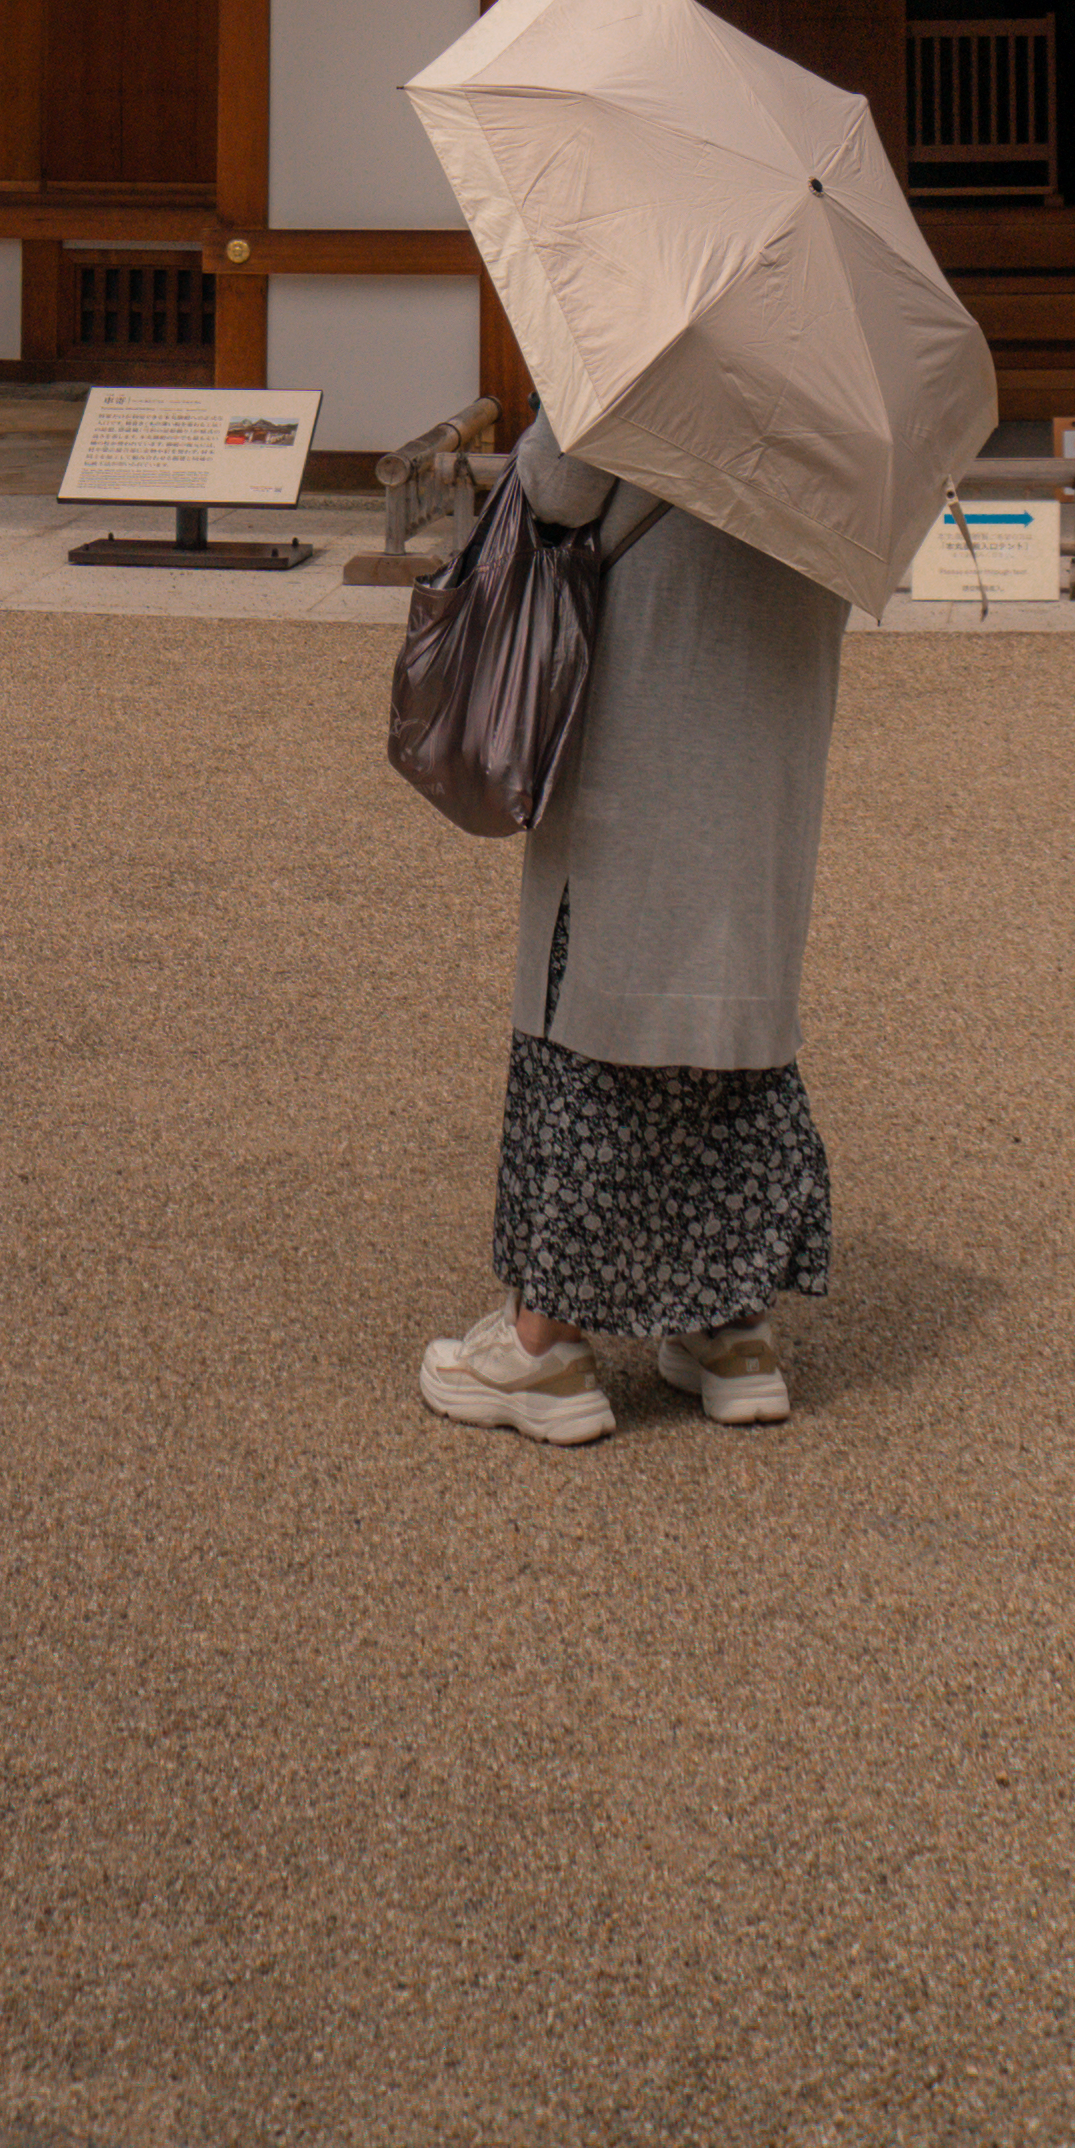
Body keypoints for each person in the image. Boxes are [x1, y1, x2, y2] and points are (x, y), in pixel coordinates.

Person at [419, 401, 846, 1448]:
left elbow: (557, 489)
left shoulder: (661, 340)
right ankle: (731, 1331)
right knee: (727, 1005)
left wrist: (554, 405)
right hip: (768, 716)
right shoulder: (841, 391)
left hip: (646, 703)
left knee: (600, 997)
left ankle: (542, 1349)